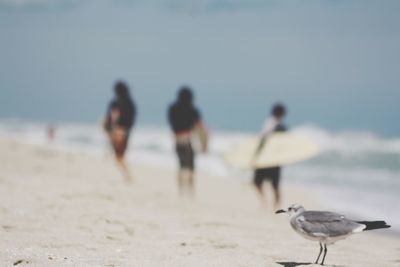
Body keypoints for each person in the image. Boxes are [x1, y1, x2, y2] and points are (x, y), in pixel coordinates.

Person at [168, 86, 207, 196]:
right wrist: (205, 144)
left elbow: (172, 123)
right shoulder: (193, 110)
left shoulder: (172, 108)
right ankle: (190, 191)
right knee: (190, 167)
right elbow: (201, 127)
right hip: (188, 140)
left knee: (181, 166)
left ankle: (180, 190)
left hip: (177, 139)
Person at [253, 103, 287, 208]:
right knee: (273, 184)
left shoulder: (273, 124)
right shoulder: (279, 125)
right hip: (273, 158)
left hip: (267, 157)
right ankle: (271, 204)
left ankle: (269, 204)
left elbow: (262, 139)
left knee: (261, 182)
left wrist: (255, 154)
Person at [104, 81, 136, 183]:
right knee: (120, 156)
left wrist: (109, 130)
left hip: (116, 131)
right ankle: (127, 175)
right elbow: (131, 120)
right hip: (125, 132)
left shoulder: (115, 103)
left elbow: (110, 119)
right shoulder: (131, 103)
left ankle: (128, 175)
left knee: (118, 157)